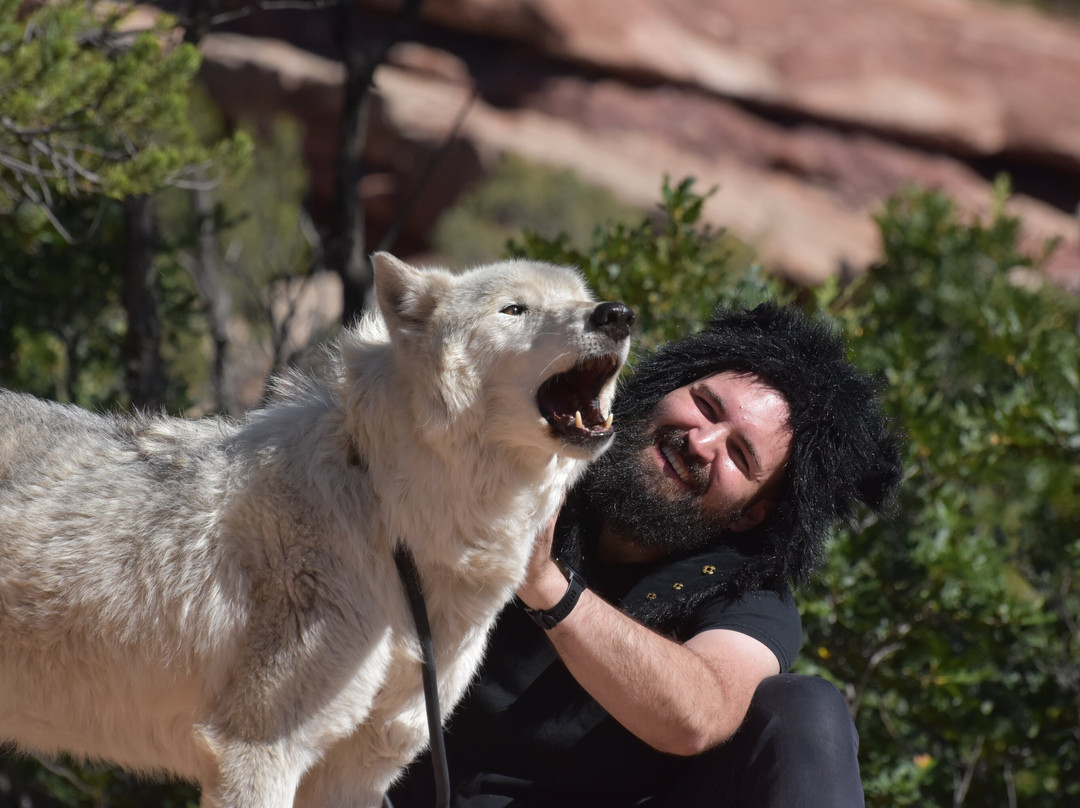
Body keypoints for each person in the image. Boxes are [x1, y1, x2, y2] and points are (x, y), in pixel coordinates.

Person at [388, 301, 904, 808]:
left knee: (806, 709)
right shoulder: (539, 454)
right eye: (705, 406)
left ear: (753, 513)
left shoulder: (749, 598)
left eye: (740, 454)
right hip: (372, 780)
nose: (702, 441)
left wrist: (547, 585)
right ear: (666, 388)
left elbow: (699, 717)